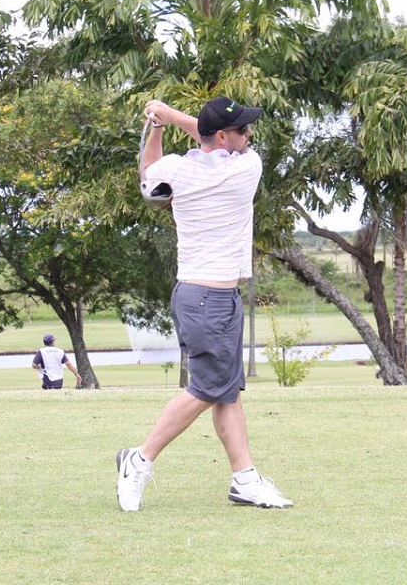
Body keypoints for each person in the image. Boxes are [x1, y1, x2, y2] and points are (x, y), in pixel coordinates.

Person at [115, 96, 293, 512]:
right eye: (242, 129)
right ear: (224, 137)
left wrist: (158, 124)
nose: (249, 135)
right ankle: (138, 460)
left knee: (227, 391)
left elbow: (150, 170)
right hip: (204, 300)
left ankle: (245, 479)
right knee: (207, 389)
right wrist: (170, 115)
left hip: (216, 297)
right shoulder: (246, 166)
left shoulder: (178, 169)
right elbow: (202, 134)